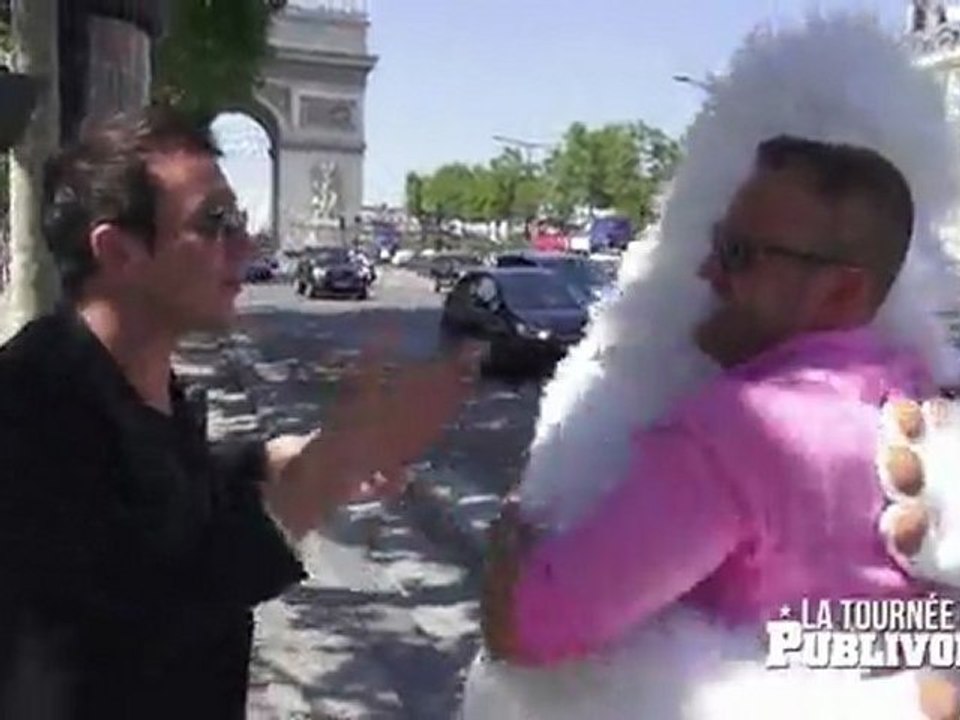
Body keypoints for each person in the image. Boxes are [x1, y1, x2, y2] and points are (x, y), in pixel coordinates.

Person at [462, 14, 960, 720]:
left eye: (739, 255)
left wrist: (512, 530)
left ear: (844, 289)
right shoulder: (918, 397)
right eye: (717, 241)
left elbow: (533, 628)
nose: (706, 270)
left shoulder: (740, 430)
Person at [0, 105, 477, 719]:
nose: (246, 244)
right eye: (214, 222)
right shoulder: (24, 414)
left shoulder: (130, 383)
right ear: (118, 251)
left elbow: (155, 498)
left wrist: (270, 460)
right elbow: (117, 659)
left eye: (240, 218)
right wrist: (309, 486)